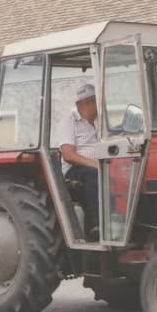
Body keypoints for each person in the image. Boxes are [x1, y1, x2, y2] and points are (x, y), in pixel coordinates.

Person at [59, 83, 100, 235]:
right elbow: (68, 155)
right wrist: (95, 165)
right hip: (74, 170)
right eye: (94, 102)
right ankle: (97, 225)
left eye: (96, 101)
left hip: (100, 165)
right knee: (92, 174)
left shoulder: (101, 121)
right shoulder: (70, 121)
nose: (96, 106)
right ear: (82, 105)